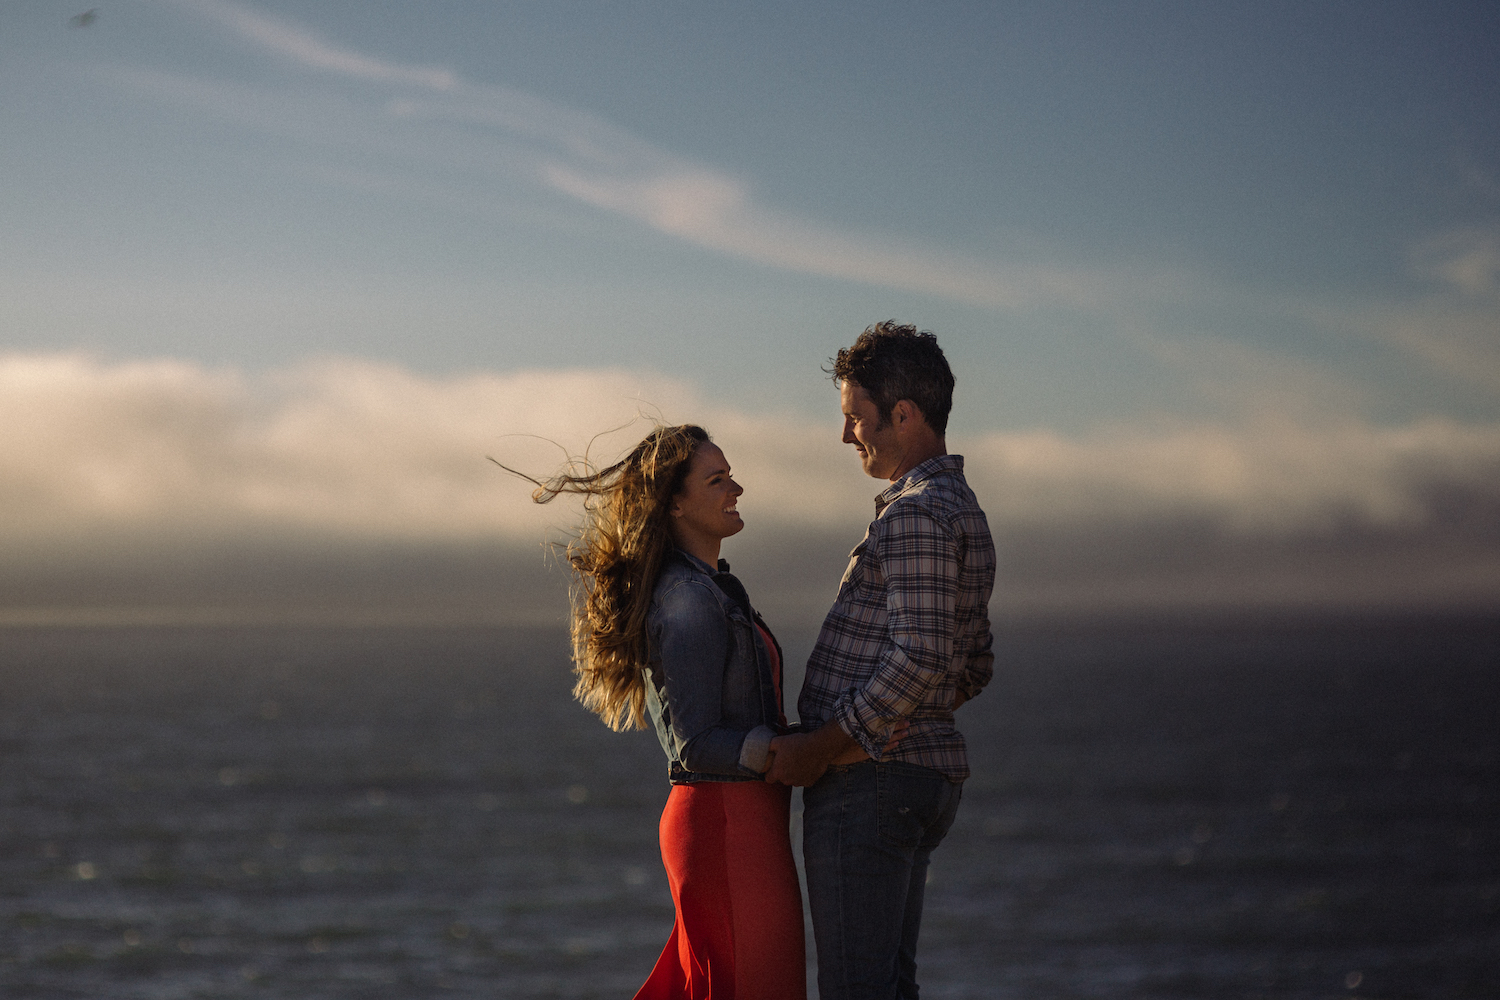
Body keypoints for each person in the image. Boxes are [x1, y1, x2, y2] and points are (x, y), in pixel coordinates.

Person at [524, 424, 806, 1000]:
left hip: (743, 820)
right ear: (674, 503)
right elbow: (694, 744)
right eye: (718, 479)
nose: (737, 488)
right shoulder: (687, 599)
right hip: (726, 822)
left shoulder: (712, 588)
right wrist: (790, 752)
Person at [767, 322, 996, 1000]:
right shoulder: (963, 511)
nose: (846, 437)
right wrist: (909, 713)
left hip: (871, 787)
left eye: (853, 418)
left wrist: (832, 746)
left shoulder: (916, 516)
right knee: (890, 986)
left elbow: (923, 657)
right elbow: (971, 664)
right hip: (912, 778)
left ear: (903, 414)